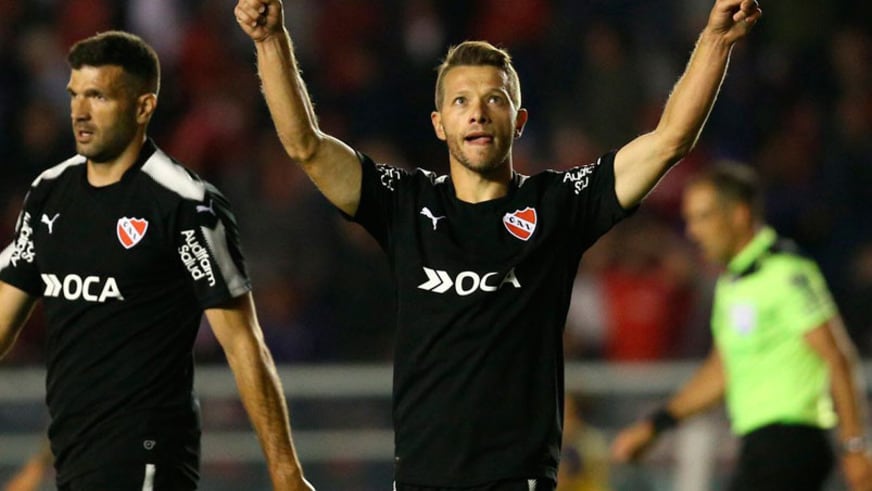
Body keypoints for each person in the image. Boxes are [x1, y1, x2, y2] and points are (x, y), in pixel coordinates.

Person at [234, 0, 761, 488]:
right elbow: (306, 145)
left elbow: (670, 140)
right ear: (440, 125)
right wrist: (271, 40)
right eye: (461, 100)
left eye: (495, 99)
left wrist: (716, 40)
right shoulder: (403, 203)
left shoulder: (557, 205)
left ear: (519, 120)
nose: (478, 112)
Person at [0, 31, 313, 491]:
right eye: (75, 95)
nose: (80, 112)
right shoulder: (49, 194)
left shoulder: (185, 205)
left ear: (144, 107)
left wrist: (285, 472)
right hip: (74, 453)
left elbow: (243, 344)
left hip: (148, 456)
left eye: (99, 96)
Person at [610, 163, 872, 491]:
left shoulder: (786, 273)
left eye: (703, 217)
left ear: (739, 215)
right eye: (689, 219)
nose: (693, 232)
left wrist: (855, 447)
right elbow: (721, 371)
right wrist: (656, 425)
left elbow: (838, 357)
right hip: (761, 448)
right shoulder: (732, 284)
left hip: (792, 442)